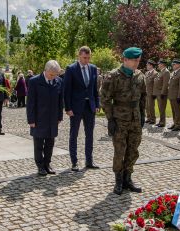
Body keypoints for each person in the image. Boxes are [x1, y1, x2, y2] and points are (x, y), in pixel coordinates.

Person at [100, 47, 146, 195]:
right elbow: (105, 99)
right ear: (125, 60)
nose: (137, 64)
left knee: (133, 150)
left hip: (135, 118)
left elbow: (143, 96)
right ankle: (118, 180)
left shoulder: (140, 75)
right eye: (135, 61)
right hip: (119, 119)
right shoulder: (113, 76)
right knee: (120, 151)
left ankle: (128, 178)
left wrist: (142, 114)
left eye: (138, 61)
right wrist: (110, 119)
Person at [64, 46, 100, 172]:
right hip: (75, 107)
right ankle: (74, 162)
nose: (87, 60)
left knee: (89, 135)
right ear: (79, 56)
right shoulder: (71, 69)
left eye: (89, 58)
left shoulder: (93, 68)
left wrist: (97, 104)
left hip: (89, 107)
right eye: (85, 58)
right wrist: (67, 107)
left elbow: (95, 89)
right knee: (74, 134)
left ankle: (89, 161)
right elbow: (66, 90)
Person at [27, 60, 64, 176]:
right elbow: (30, 103)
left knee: (50, 143)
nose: (53, 77)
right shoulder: (34, 81)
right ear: (46, 70)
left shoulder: (59, 81)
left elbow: (60, 101)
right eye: (52, 75)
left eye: (55, 75)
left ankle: (47, 164)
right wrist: (31, 120)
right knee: (38, 144)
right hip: (38, 118)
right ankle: (40, 166)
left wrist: (59, 116)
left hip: (52, 118)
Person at [168, 59, 180, 131]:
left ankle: (178, 125)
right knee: (173, 110)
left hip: (176, 96)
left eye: (174, 64)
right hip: (171, 95)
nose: (173, 65)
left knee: (177, 110)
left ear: (179, 65)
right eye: (173, 64)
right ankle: (175, 123)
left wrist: (179, 97)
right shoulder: (173, 73)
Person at [153, 59, 170, 127]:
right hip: (158, 92)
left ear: (162, 64)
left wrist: (163, 93)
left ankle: (163, 122)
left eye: (159, 64)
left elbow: (165, 84)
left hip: (162, 93)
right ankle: (161, 121)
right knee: (160, 108)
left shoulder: (166, 72)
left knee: (162, 108)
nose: (158, 65)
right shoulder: (161, 72)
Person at [145, 59, 158, 124]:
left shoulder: (155, 73)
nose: (146, 66)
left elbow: (155, 85)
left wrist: (154, 93)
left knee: (151, 106)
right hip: (146, 92)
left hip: (151, 93)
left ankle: (153, 119)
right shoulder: (147, 73)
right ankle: (149, 118)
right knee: (147, 106)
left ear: (151, 66)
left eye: (147, 65)